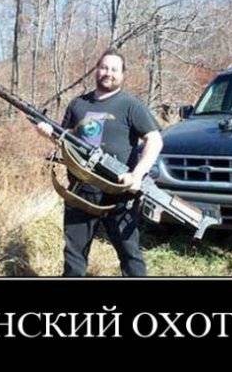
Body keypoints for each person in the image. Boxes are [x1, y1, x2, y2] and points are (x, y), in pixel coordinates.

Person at [34, 50, 163, 277]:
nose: (108, 73)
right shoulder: (78, 104)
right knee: (74, 255)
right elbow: (67, 141)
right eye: (104, 67)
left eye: (114, 69)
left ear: (122, 74)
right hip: (81, 191)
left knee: (130, 253)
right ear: (96, 70)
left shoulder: (131, 105)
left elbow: (155, 140)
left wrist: (136, 175)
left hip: (119, 192)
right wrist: (48, 134)